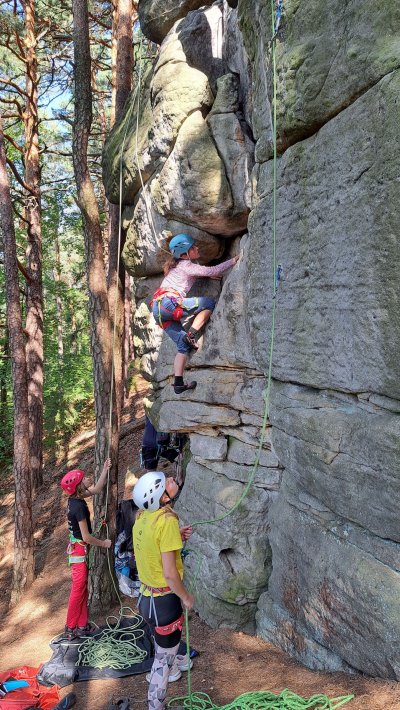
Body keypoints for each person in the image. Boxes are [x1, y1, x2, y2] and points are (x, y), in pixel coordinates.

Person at [132, 471, 194, 710]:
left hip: (147, 600)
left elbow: (151, 548)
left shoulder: (143, 518)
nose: (171, 480)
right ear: (161, 496)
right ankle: (155, 706)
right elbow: (169, 574)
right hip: (165, 603)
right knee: (162, 662)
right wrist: (185, 596)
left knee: (163, 652)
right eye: (166, 481)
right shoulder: (166, 521)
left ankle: (175, 666)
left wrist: (175, 538)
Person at [152, 233, 239, 394]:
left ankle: (178, 383)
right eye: (193, 247)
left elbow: (201, 275)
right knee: (208, 303)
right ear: (185, 253)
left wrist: (213, 276)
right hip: (169, 303)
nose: (197, 248)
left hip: (158, 311)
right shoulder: (186, 265)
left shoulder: (179, 267)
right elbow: (212, 269)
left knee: (182, 347)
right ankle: (191, 334)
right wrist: (234, 261)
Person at [60, 458, 112, 639]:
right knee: (77, 589)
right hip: (79, 552)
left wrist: (105, 468)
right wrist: (104, 543)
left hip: (78, 550)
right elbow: (87, 537)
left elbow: (97, 489)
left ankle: (81, 625)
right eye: (84, 479)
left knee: (82, 589)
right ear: (79, 487)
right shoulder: (79, 508)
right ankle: (70, 627)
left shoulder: (75, 498)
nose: (88, 478)